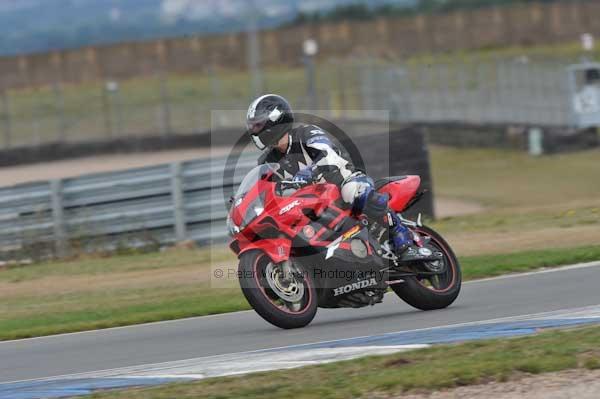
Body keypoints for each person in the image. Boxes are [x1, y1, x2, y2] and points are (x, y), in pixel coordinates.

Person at [245, 94, 420, 260]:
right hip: (309, 202)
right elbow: (264, 187)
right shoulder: (266, 161)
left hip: (342, 183)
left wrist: (309, 173)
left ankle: (401, 235)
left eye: (258, 125)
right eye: (252, 126)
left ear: (276, 119)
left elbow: (328, 154)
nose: (254, 130)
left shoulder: (307, 134)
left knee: (353, 192)